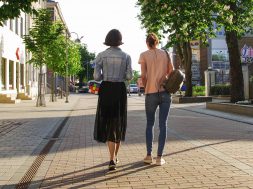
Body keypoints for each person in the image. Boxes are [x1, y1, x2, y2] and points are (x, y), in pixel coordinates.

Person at [93, 29, 133, 171]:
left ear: (108, 40)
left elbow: (97, 77)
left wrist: (104, 71)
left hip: (106, 90)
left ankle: (111, 159)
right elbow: (129, 76)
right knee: (118, 122)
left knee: (108, 121)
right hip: (119, 90)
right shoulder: (126, 56)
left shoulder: (101, 56)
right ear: (120, 41)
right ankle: (114, 157)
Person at [138, 33, 174, 166]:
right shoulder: (165, 54)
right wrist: (163, 78)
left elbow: (143, 75)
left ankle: (149, 156)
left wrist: (147, 86)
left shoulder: (143, 55)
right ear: (157, 42)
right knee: (163, 124)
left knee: (149, 124)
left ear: (147, 43)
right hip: (165, 92)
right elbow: (171, 71)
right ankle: (159, 158)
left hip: (150, 93)